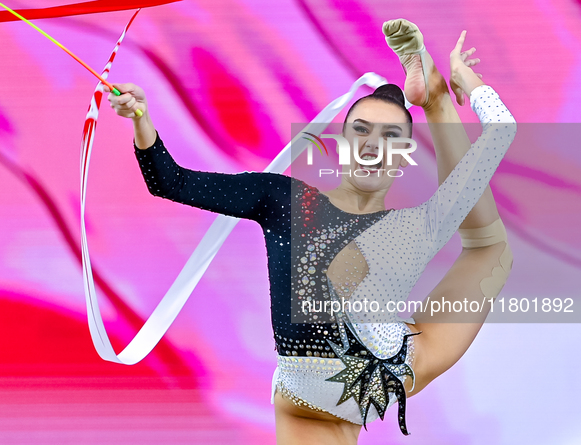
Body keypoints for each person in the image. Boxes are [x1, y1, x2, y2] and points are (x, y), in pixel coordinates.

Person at [106, 19, 516, 445]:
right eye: (361, 131)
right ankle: (430, 95)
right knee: (478, 243)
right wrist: (141, 119)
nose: (373, 144)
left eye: (391, 136)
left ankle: (432, 99)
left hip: (383, 368)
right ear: (341, 144)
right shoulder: (281, 197)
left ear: (403, 158)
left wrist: (472, 83)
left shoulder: (410, 226)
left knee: (490, 250)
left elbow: (500, 137)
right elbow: (171, 182)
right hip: (322, 389)